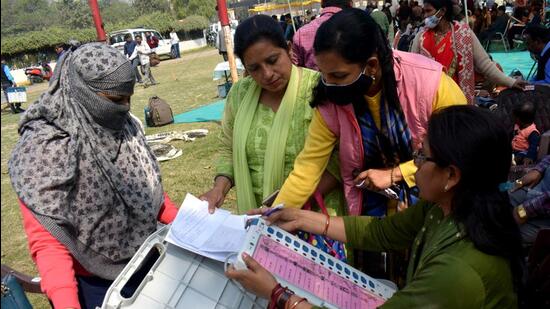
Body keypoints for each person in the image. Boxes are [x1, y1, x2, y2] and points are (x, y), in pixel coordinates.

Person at [227, 105, 522, 308]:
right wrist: (303, 218)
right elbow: (383, 232)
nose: (414, 166)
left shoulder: (459, 272)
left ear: (452, 175)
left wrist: (278, 294)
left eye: (422, 156)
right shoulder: (446, 208)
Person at [7, 43, 179, 309]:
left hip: (149, 263)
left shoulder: (124, 126)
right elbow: (50, 243)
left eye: (128, 98)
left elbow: (149, 195)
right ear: (81, 92)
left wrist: (193, 224)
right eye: (115, 100)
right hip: (91, 287)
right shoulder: (44, 149)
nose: (124, 107)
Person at [271, 9, 467, 218]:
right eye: (323, 74)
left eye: (338, 75)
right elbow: (308, 166)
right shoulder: (331, 100)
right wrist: (272, 214)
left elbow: (462, 149)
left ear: (372, 66)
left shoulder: (429, 85)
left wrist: (395, 174)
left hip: (436, 207)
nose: (328, 83)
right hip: (371, 216)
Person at [199, 15, 345, 229]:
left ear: (288, 49)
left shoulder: (318, 89)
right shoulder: (240, 94)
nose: (267, 74)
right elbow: (228, 149)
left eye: (272, 60)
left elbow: (341, 159)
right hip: (260, 218)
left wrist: (290, 206)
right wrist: (218, 189)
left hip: (313, 217)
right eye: (254, 68)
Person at [410, 0, 525, 104]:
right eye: (424, 12)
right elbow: (411, 71)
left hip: (457, 102)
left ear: (443, 11)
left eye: (428, 11)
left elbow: (486, 65)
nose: (425, 16)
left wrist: (511, 82)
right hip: (428, 103)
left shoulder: (463, 34)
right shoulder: (420, 38)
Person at [291, 0, 352, 70]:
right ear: (350, 3)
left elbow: (296, 69)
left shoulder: (301, 33)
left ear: (322, 2)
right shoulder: (356, 26)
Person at [510, 156, 550, 245]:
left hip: (542, 216)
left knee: (504, 236)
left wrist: (523, 211)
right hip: (533, 189)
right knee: (502, 188)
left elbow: (543, 203)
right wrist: (538, 170)